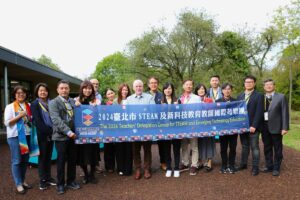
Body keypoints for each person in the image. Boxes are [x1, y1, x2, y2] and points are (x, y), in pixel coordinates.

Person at [49, 80, 80, 195]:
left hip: (73, 136)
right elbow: (56, 120)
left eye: (66, 88)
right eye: (61, 88)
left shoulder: (73, 101)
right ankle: (60, 184)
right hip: (61, 137)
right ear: (57, 90)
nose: (64, 90)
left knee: (72, 160)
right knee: (61, 162)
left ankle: (71, 181)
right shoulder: (53, 103)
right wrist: (68, 132)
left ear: (69, 89)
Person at [4, 85, 33, 194]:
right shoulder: (10, 107)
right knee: (17, 160)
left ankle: (22, 180)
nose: (21, 94)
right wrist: (19, 116)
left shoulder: (28, 105)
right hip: (15, 137)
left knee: (25, 160)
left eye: (23, 92)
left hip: (28, 135)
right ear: (14, 95)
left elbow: (31, 120)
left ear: (26, 94)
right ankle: (18, 183)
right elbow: (7, 123)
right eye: (18, 93)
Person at [127, 79, 155, 180]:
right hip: (134, 129)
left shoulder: (149, 97)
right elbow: (126, 114)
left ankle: (147, 169)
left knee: (147, 149)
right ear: (133, 88)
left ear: (143, 87)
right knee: (135, 150)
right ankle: (138, 169)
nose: (138, 88)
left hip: (146, 128)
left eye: (140, 86)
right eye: (137, 86)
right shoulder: (129, 99)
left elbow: (153, 111)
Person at [261, 79, 289, 176]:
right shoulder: (261, 97)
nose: (268, 86)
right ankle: (269, 166)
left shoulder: (281, 97)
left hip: (277, 127)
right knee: (267, 147)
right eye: (266, 85)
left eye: (270, 84)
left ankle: (276, 167)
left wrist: (285, 127)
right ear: (264, 87)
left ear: (274, 86)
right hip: (264, 127)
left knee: (277, 148)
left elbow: (285, 113)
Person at [30, 83, 56, 190]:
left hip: (52, 134)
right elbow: (38, 122)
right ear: (37, 92)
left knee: (48, 157)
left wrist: (53, 131)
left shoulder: (51, 103)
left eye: (45, 90)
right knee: (42, 158)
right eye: (40, 90)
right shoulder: (35, 104)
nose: (43, 92)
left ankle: (48, 177)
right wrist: (50, 131)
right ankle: (42, 180)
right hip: (42, 135)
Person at [75, 81, 101, 184]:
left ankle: (92, 174)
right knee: (82, 154)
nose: (87, 90)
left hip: (93, 131)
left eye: (90, 88)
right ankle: (85, 174)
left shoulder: (96, 100)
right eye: (85, 88)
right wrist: (76, 106)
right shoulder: (76, 100)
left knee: (93, 153)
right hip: (81, 132)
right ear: (81, 89)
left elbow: (101, 113)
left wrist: (96, 107)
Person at [237, 75, 264, 176]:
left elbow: (259, 112)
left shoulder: (259, 95)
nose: (248, 83)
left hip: (253, 127)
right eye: (246, 82)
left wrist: (254, 125)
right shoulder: (240, 96)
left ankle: (255, 167)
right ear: (244, 84)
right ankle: (243, 164)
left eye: (250, 82)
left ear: (254, 83)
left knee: (255, 147)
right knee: (244, 146)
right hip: (242, 126)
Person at [179, 80, 201, 176]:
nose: (188, 86)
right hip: (183, 126)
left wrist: (196, 124)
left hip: (193, 125)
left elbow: (199, 111)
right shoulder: (180, 98)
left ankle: (194, 165)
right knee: (184, 146)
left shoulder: (197, 98)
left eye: (190, 85)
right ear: (183, 86)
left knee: (194, 146)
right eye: (186, 84)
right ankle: (185, 163)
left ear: (192, 87)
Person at [216, 83, 237, 174]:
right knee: (223, 148)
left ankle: (231, 165)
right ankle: (224, 165)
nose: (227, 91)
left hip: (233, 129)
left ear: (231, 90)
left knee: (233, 148)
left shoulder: (236, 101)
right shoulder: (218, 101)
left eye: (229, 89)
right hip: (222, 128)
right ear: (222, 91)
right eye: (225, 89)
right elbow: (215, 115)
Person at [161, 83, 181, 178]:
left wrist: (177, 107)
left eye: (170, 88)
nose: (168, 90)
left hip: (176, 128)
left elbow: (181, 115)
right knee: (167, 149)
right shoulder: (160, 101)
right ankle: (169, 168)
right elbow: (156, 115)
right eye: (166, 88)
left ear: (172, 90)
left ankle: (176, 168)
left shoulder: (177, 100)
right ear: (163, 90)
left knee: (176, 149)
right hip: (165, 128)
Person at [146, 77, 166, 170]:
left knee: (162, 144)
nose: (153, 84)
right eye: (152, 83)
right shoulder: (144, 95)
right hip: (148, 124)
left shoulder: (162, 95)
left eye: (155, 83)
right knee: (147, 145)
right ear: (148, 85)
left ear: (157, 84)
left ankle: (163, 162)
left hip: (160, 123)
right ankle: (148, 166)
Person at [113, 83, 133, 176]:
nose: (124, 91)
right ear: (120, 91)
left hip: (129, 128)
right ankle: (120, 168)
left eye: (126, 90)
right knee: (119, 148)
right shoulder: (115, 101)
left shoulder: (132, 100)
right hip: (119, 128)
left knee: (129, 148)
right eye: (123, 90)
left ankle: (128, 169)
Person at [194, 83, 215, 172]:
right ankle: (200, 161)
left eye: (203, 89)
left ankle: (209, 161)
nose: (201, 90)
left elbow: (214, 112)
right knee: (198, 143)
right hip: (197, 125)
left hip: (208, 125)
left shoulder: (210, 100)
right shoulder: (193, 100)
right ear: (196, 91)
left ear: (205, 91)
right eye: (199, 89)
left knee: (209, 142)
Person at [104, 88, 117, 172]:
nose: (110, 95)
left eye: (112, 93)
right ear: (106, 96)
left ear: (114, 93)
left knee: (117, 148)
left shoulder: (119, 103)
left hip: (118, 129)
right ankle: (109, 167)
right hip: (108, 129)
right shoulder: (104, 105)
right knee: (108, 148)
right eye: (108, 94)